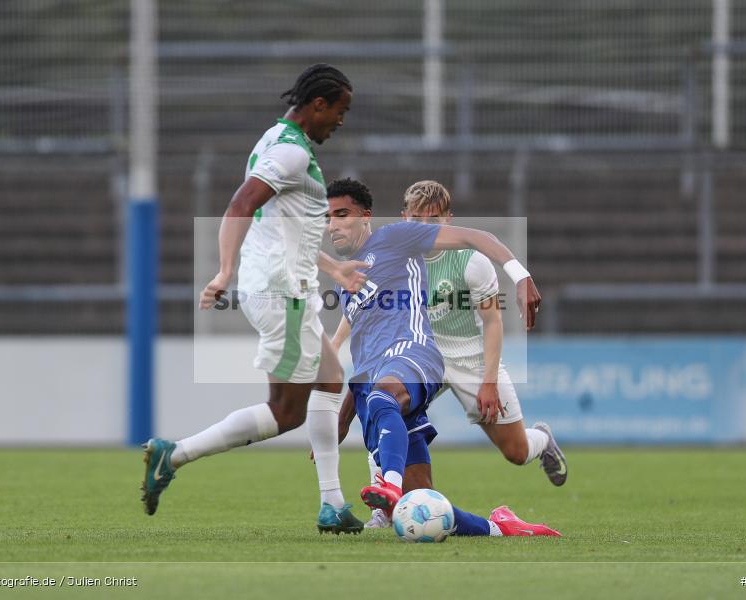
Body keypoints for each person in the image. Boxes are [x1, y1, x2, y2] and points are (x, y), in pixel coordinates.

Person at [142, 64, 367, 535]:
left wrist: (334, 268)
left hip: (287, 287)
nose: (341, 121)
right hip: (281, 293)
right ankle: (175, 454)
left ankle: (332, 505)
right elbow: (241, 205)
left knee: (329, 380)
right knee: (286, 412)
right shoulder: (289, 153)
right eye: (340, 111)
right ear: (318, 105)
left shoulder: (276, 141)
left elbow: (284, 226)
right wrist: (223, 270)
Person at [325, 178, 560, 537]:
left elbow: (492, 322)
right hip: (418, 357)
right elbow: (361, 313)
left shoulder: (470, 263)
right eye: (416, 218)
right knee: (382, 402)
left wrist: (489, 381)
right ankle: (388, 502)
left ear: (448, 219)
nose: (423, 227)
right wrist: (334, 345)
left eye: (432, 220)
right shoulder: (393, 253)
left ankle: (541, 440)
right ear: (404, 217)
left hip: (468, 361)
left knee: (516, 451)